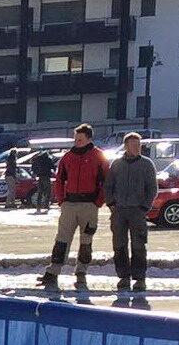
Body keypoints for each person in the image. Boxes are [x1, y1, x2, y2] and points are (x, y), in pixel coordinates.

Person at [40, 124, 109, 292]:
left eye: (80, 139)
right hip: (69, 204)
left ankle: (81, 271)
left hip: (89, 205)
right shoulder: (68, 157)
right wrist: (61, 201)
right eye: (76, 139)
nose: (77, 142)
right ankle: (54, 270)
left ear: (88, 139)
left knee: (86, 240)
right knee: (62, 239)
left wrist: (98, 202)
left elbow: (106, 182)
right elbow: (59, 180)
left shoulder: (98, 156)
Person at [104, 132, 157, 294]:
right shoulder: (117, 164)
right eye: (133, 145)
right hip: (119, 211)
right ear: (126, 146)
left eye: (138, 145)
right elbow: (108, 185)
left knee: (138, 245)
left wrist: (144, 207)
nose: (137, 147)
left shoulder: (146, 164)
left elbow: (152, 188)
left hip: (137, 211)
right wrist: (111, 204)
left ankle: (140, 278)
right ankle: (123, 277)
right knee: (119, 245)